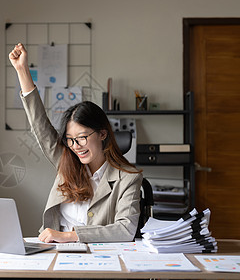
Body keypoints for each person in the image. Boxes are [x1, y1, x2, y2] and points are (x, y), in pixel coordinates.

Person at [9, 43, 143, 243]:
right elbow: (40, 125)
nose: (76, 146)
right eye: (71, 140)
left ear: (102, 134)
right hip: (53, 252)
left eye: (82, 137)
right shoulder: (66, 160)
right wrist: (22, 70)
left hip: (98, 258)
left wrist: (69, 236)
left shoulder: (128, 177)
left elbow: (125, 229)